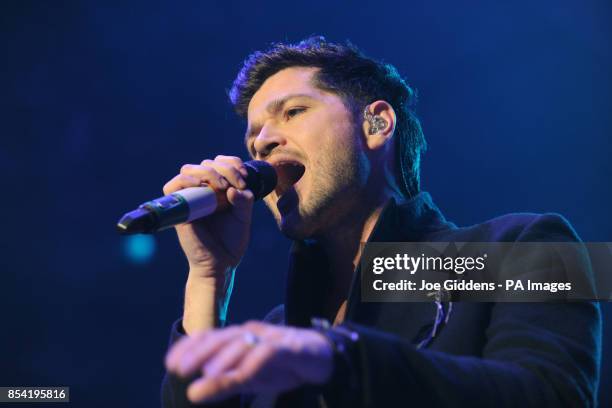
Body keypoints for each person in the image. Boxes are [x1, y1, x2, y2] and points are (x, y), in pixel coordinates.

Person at [160, 37, 601, 407]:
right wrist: (208, 278)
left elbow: (552, 394)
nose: (262, 143)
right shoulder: (278, 332)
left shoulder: (517, 251)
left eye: (293, 112)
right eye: (252, 138)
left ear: (376, 123)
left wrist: (340, 359)